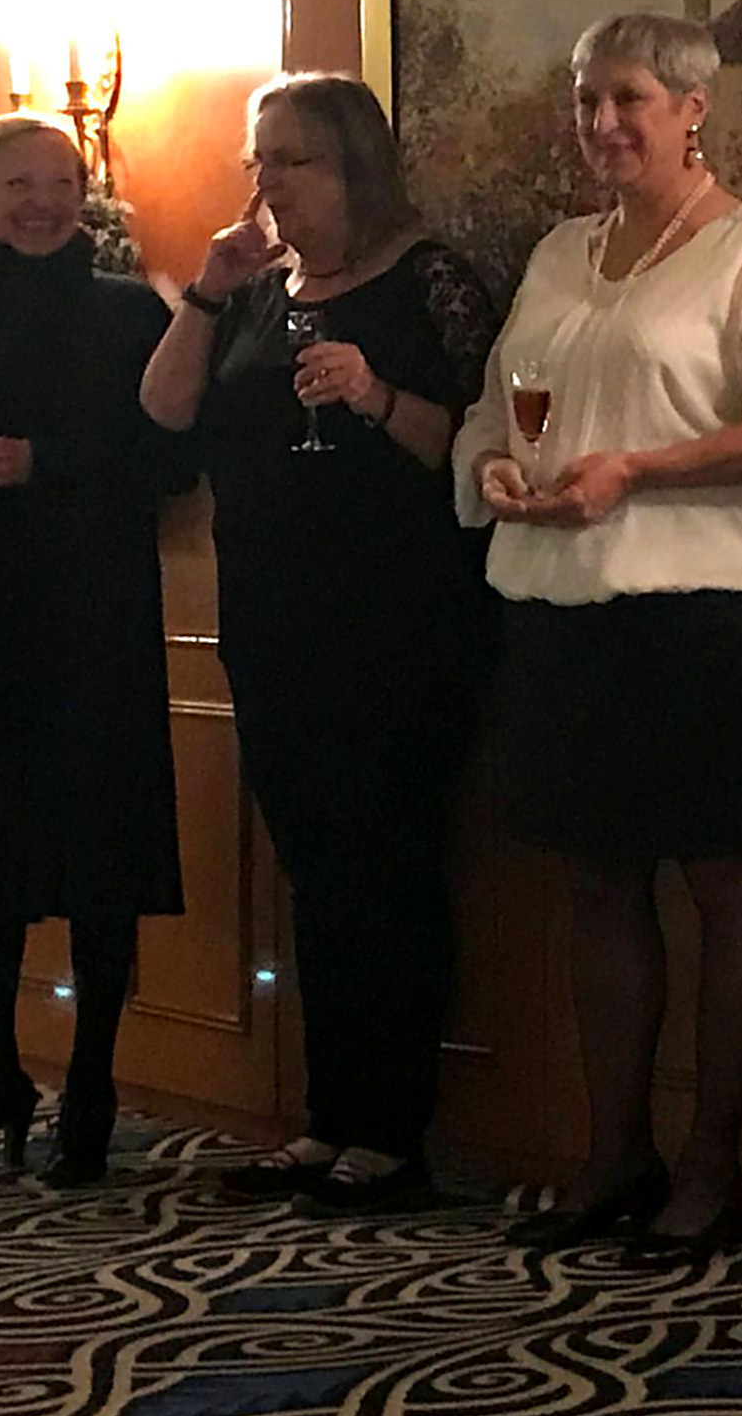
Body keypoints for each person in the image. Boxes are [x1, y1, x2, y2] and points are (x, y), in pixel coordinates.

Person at [455, 11, 742, 1264]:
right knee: (598, 885)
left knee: (728, 888)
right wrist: (498, 469)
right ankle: (616, 1154)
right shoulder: (559, 252)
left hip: (697, 619)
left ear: (692, 109)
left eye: (629, 98)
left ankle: (713, 1166)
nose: (604, 123)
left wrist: (636, 471)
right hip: (558, 614)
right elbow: (495, 413)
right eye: (587, 100)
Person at [141, 73, 501, 1217]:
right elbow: (164, 409)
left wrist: (375, 394)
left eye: (291, 159)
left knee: (389, 867)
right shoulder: (257, 292)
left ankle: (392, 1133)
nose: (270, 183)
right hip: (272, 621)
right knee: (315, 873)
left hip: (399, 623)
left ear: (354, 165)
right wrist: (207, 292)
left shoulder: (431, 280)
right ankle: (329, 1115)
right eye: (260, 161)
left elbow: (477, 447)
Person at [0, 112, 192, 1187]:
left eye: (60, 181)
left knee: (99, 859)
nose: (43, 202)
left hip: (91, 623)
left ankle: (93, 1082)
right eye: (18, 184)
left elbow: (167, 463)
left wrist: (37, 464)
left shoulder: (128, 316)